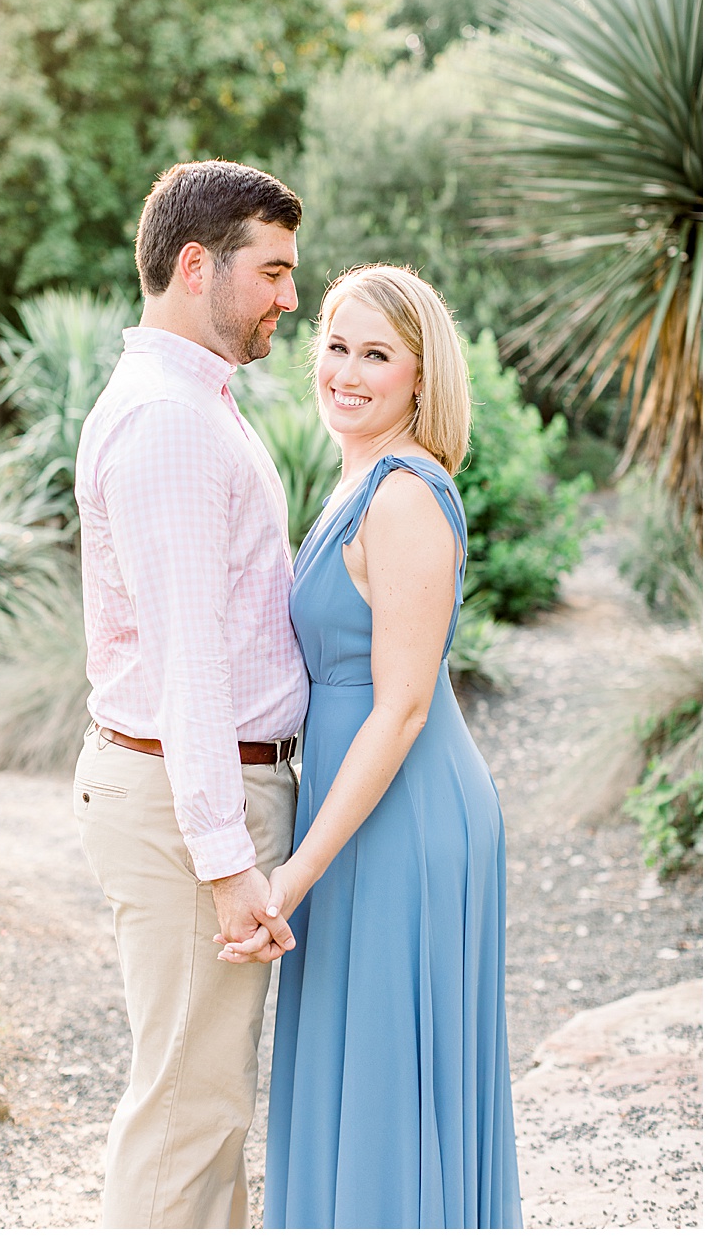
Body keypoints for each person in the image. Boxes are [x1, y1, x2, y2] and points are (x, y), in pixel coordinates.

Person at [220, 264, 522, 1227]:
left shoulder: (404, 496)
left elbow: (401, 709)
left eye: (376, 354)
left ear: (421, 378)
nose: (347, 371)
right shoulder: (358, 477)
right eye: (337, 347)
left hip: (403, 820)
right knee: (354, 1072)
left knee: (391, 1078)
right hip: (355, 812)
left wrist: (293, 872)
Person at [72, 159, 309, 1227]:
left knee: (204, 1107)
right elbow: (188, 662)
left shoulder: (194, 402)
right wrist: (226, 858)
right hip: (186, 805)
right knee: (184, 1114)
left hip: (191, 793)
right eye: (274, 271)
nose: (289, 298)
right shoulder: (169, 419)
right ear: (197, 263)